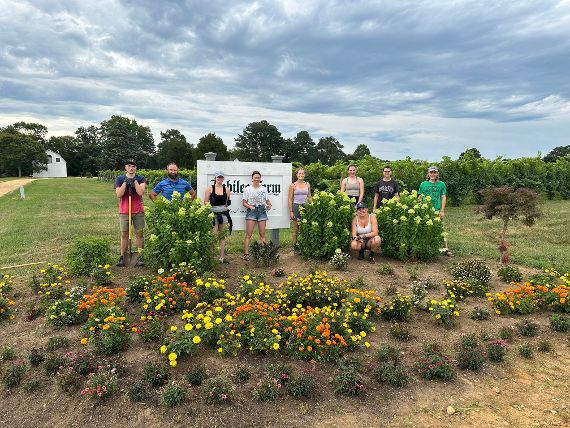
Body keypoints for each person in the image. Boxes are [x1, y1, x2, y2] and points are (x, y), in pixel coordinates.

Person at [114, 160, 147, 267]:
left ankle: (140, 256)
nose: (131, 168)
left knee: (139, 234)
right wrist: (125, 182)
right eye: (129, 166)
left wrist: (135, 181)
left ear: (136, 168)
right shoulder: (119, 179)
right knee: (124, 234)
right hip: (124, 211)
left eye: (133, 166)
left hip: (138, 211)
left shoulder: (141, 178)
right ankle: (123, 257)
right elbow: (119, 194)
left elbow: (140, 192)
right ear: (125, 167)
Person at [418, 165, 452, 256]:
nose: (433, 174)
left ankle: (446, 249)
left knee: (440, 228)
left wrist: (442, 210)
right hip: (426, 210)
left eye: (434, 172)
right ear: (428, 174)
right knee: (426, 228)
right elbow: (420, 197)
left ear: (437, 174)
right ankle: (428, 248)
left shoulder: (441, 184)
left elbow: (443, 197)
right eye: (431, 172)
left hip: (436, 210)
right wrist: (418, 208)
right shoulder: (423, 184)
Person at [242, 170, 272, 261]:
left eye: (258, 178)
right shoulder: (247, 189)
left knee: (262, 234)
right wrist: (250, 207)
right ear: (252, 179)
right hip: (252, 211)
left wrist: (269, 205)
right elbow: (244, 202)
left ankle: (263, 253)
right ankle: (246, 254)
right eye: (255, 177)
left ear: (260, 179)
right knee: (248, 234)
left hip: (262, 211)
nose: (257, 179)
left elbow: (267, 201)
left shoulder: (263, 189)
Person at [205, 170, 232, 263]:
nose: (220, 179)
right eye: (218, 177)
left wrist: (223, 207)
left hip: (224, 214)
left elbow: (228, 202)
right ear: (215, 178)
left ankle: (221, 257)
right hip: (213, 214)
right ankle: (210, 257)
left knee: (222, 236)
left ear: (223, 178)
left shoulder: (227, 189)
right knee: (213, 235)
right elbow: (205, 202)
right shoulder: (210, 188)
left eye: (221, 177)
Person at [288, 168, 311, 252]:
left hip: (305, 206)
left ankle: (303, 244)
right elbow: (290, 199)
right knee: (296, 228)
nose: (301, 175)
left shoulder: (307, 184)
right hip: (296, 206)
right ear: (296, 175)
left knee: (304, 227)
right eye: (299, 173)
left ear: (304, 175)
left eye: (302, 173)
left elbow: (309, 196)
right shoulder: (293, 185)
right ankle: (295, 245)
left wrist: (312, 206)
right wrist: (291, 211)